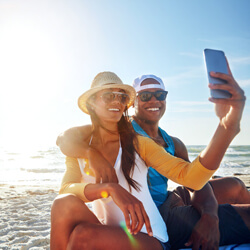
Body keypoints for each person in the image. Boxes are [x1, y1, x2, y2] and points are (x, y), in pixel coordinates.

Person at [51, 70, 249, 250]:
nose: (117, 102)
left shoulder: (138, 143)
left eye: (121, 97)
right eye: (109, 96)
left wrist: (228, 125)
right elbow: (66, 188)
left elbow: (191, 178)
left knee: (83, 236)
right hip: (113, 230)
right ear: (92, 103)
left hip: (150, 235)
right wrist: (110, 188)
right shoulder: (79, 145)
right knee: (63, 204)